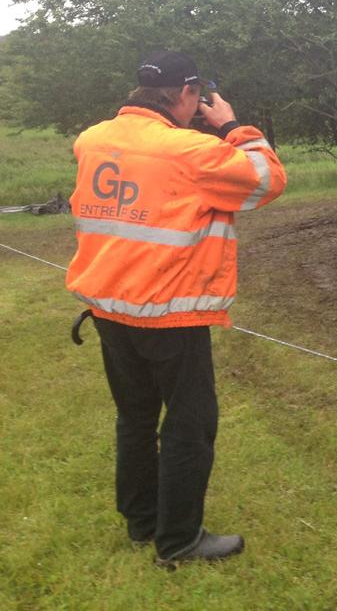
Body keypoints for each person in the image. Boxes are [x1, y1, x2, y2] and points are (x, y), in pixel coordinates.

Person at [66, 50, 286, 568]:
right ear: (187, 94)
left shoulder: (92, 140)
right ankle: (180, 541)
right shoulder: (188, 150)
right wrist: (231, 124)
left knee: (135, 417)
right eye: (198, 97)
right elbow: (265, 179)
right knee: (190, 423)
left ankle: (143, 523)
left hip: (108, 308)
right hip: (168, 311)